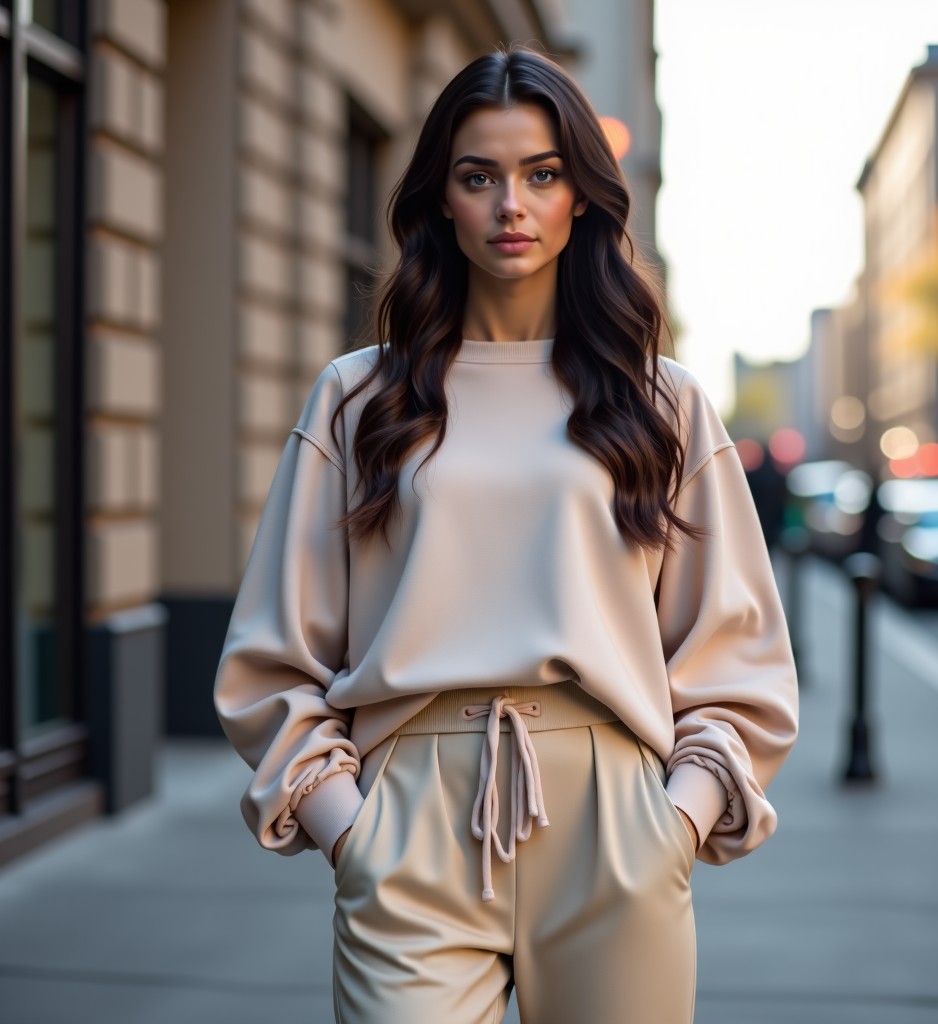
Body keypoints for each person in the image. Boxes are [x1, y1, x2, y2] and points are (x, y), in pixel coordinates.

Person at [213, 45, 799, 1024]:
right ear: (441, 199)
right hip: (409, 820)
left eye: (542, 174)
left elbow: (735, 651)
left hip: (616, 821)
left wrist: (677, 819)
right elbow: (272, 655)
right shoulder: (359, 396)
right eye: (478, 176)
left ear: (582, 196)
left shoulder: (663, 402)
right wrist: (349, 831)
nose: (510, 206)